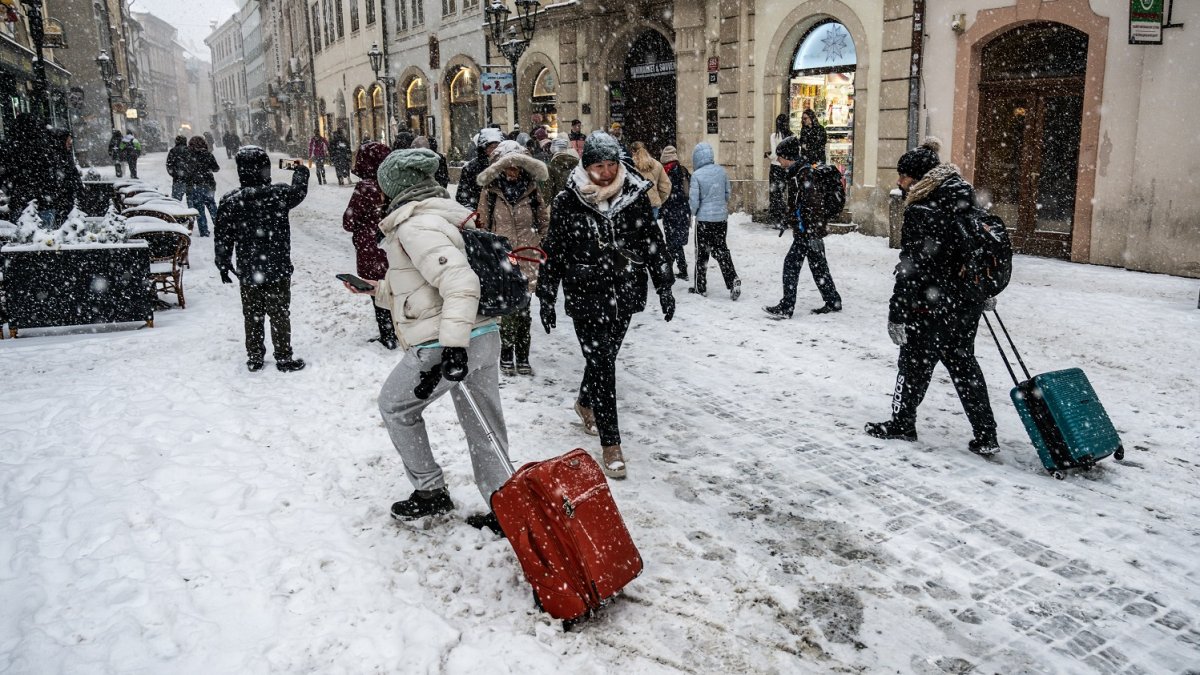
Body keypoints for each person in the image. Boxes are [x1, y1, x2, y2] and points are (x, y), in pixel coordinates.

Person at [342, 147, 514, 525]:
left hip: (447, 342)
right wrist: (376, 289)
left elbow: (459, 281)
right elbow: (424, 286)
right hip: (482, 334)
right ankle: (506, 507)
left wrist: (453, 348)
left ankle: (430, 491)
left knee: (395, 406)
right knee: (483, 424)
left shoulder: (415, 225)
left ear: (396, 189)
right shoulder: (443, 217)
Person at [536, 132, 676, 479]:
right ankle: (611, 443)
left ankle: (585, 402)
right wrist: (547, 295)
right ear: (587, 166)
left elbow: (653, 242)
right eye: (599, 165)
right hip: (585, 292)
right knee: (601, 363)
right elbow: (555, 249)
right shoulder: (570, 200)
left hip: (625, 290)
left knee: (604, 358)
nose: (606, 171)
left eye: (611, 164)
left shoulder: (634, 194)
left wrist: (665, 286)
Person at [865, 138, 999, 455]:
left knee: (913, 364)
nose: (899, 182)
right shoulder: (965, 197)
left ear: (919, 177)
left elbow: (911, 269)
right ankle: (986, 434)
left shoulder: (923, 210)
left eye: (903, 176)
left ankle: (902, 423)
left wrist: (897, 313)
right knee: (964, 366)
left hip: (931, 303)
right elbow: (979, 250)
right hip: (965, 303)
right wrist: (985, 290)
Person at [215, 146, 309, 373]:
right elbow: (299, 191)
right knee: (279, 313)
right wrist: (301, 171)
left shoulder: (231, 201)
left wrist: (223, 262)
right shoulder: (278, 194)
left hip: (249, 268)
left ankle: (255, 356)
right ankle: (284, 356)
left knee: (252, 313)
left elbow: (223, 236)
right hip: (277, 266)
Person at [476, 140, 549, 376]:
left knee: (525, 309)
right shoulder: (490, 193)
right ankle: (507, 354)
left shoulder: (532, 191)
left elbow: (544, 222)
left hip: (527, 256)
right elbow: (483, 225)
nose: (512, 172)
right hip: (504, 257)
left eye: (516, 168)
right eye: (508, 168)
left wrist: (543, 243)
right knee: (508, 309)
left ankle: (523, 355)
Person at [763, 135, 842, 319]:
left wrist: (807, 229)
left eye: (780, 157)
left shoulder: (803, 174)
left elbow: (811, 205)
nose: (779, 162)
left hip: (807, 231)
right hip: (810, 230)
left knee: (791, 265)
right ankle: (833, 300)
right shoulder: (800, 172)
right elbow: (800, 204)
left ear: (788, 157)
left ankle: (786, 307)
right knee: (818, 266)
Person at [342, 141, 398, 349]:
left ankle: (387, 334)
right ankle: (399, 329)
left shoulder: (365, 187)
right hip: (393, 242)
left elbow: (349, 222)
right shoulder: (393, 183)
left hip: (371, 246)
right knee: (395, 286)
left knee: (377, 290)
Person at [688, 142, 741, 300]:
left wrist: (694, 213)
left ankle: (700, 287)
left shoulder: (696, 175)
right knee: (721, 249)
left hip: (704, 220)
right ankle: (732, 279)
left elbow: (694, 201)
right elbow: (727, 194)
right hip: (721, 219)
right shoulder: (721, 171)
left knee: (702, 254)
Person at [2, 114, 58, 224]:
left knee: (23, 232)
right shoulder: (43, 145)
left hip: (20, 198)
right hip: (43, 197)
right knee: (45, 233)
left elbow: (7, 171)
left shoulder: (13, 146)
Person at [659, 145, 691, 280]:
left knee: (672, 241)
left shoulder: (666, 172)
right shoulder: (683, 170)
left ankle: (671, 270)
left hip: (670, 210)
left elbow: (665, 192)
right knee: (676, 241)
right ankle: (678, 269)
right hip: (683, 209)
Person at [455, 127, 503, 210]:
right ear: (484, 148)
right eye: (491, 147)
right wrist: (474, 212)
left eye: (497, 147)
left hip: (502, 214)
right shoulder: (470, 168)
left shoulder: (507, 166)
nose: (495, 150)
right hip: (478, 212)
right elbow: (462, 196)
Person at [184, 136, 220, 237]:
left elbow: (185, 170)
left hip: (195, 185)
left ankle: (204, 230)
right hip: (208, 184)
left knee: (199, 209)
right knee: (212, 206)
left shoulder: (188, 156)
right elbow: (216, 168)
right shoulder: (208, 154)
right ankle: (220, 227)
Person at [630, 141, 671, 223]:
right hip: (653, 206)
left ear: (632, 151)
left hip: (634, 206)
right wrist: (658, 199)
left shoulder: (629, 165)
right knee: (651, 232)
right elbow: (666, 187)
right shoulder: (657, 164)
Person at [765, 113, 793, 229]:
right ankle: (785, 219)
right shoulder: (792, 136)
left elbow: (774, 154)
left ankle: (777, 219)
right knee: (783, 193)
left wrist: (767, 155)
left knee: (775, 194)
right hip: (786, 167)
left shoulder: (774, 136)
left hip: (776, 167)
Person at [541, 136, 578, 207]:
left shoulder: (551, 166)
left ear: (553, 149)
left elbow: (548, 190)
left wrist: (545, 206)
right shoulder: (577, 162)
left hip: (559, 204)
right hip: (576, 203)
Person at [166, 135, 191, 200]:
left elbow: (169, 164)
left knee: (176, 201)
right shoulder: (190, 150)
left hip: (177, 179)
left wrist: (174, 174)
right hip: (190, 180)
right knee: (192, 202)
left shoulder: (173, 151)